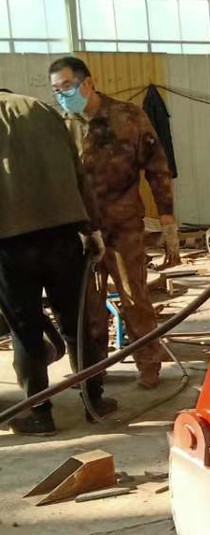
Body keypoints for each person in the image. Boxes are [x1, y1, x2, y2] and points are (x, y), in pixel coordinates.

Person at [48, 57, 179, 389]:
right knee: (87, 305)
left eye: (66, 87)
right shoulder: (60, 126)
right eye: (56, 90)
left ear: (88, 84)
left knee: (135, 297)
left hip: (123, 226)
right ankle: (93, 372)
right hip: (81, 230)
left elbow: (157, 165)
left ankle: (149, 364)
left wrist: (166, 215)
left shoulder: (128, 117)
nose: (62, 95)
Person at [0, 89, 117, 434]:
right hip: (63, 235)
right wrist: (92, 228)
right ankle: (94, 400)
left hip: (9, 241)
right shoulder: (40, 109)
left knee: (25, 329)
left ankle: (40, 413)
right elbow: (78, 170)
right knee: (75, 322)